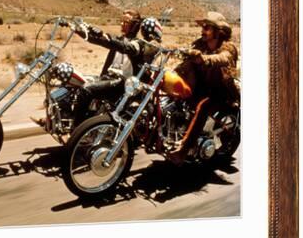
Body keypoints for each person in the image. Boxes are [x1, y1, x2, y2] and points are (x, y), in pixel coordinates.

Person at [167, 11, 240, 164]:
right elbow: (188, 51)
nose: (203, 30)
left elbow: (223, 57)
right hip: (200, 86)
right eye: (203, 27)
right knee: (175, 94)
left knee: (203, 106)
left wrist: (203, 59)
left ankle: (184, 148)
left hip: (220, 91)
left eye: (207, 27)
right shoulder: (200, 43)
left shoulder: (228, 47)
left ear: (218, 32)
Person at [69, 10, 163, 125]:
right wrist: (79, 30)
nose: (122, 24)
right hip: (110, 77)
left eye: (126, 22)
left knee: (86, 89)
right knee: (75, 82)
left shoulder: (137, 45)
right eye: (121, 21)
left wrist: (105, 36)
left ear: (135, 25)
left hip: (123, 83)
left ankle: (78, 128)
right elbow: (100, 41)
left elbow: (122, 46)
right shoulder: (121, 40)